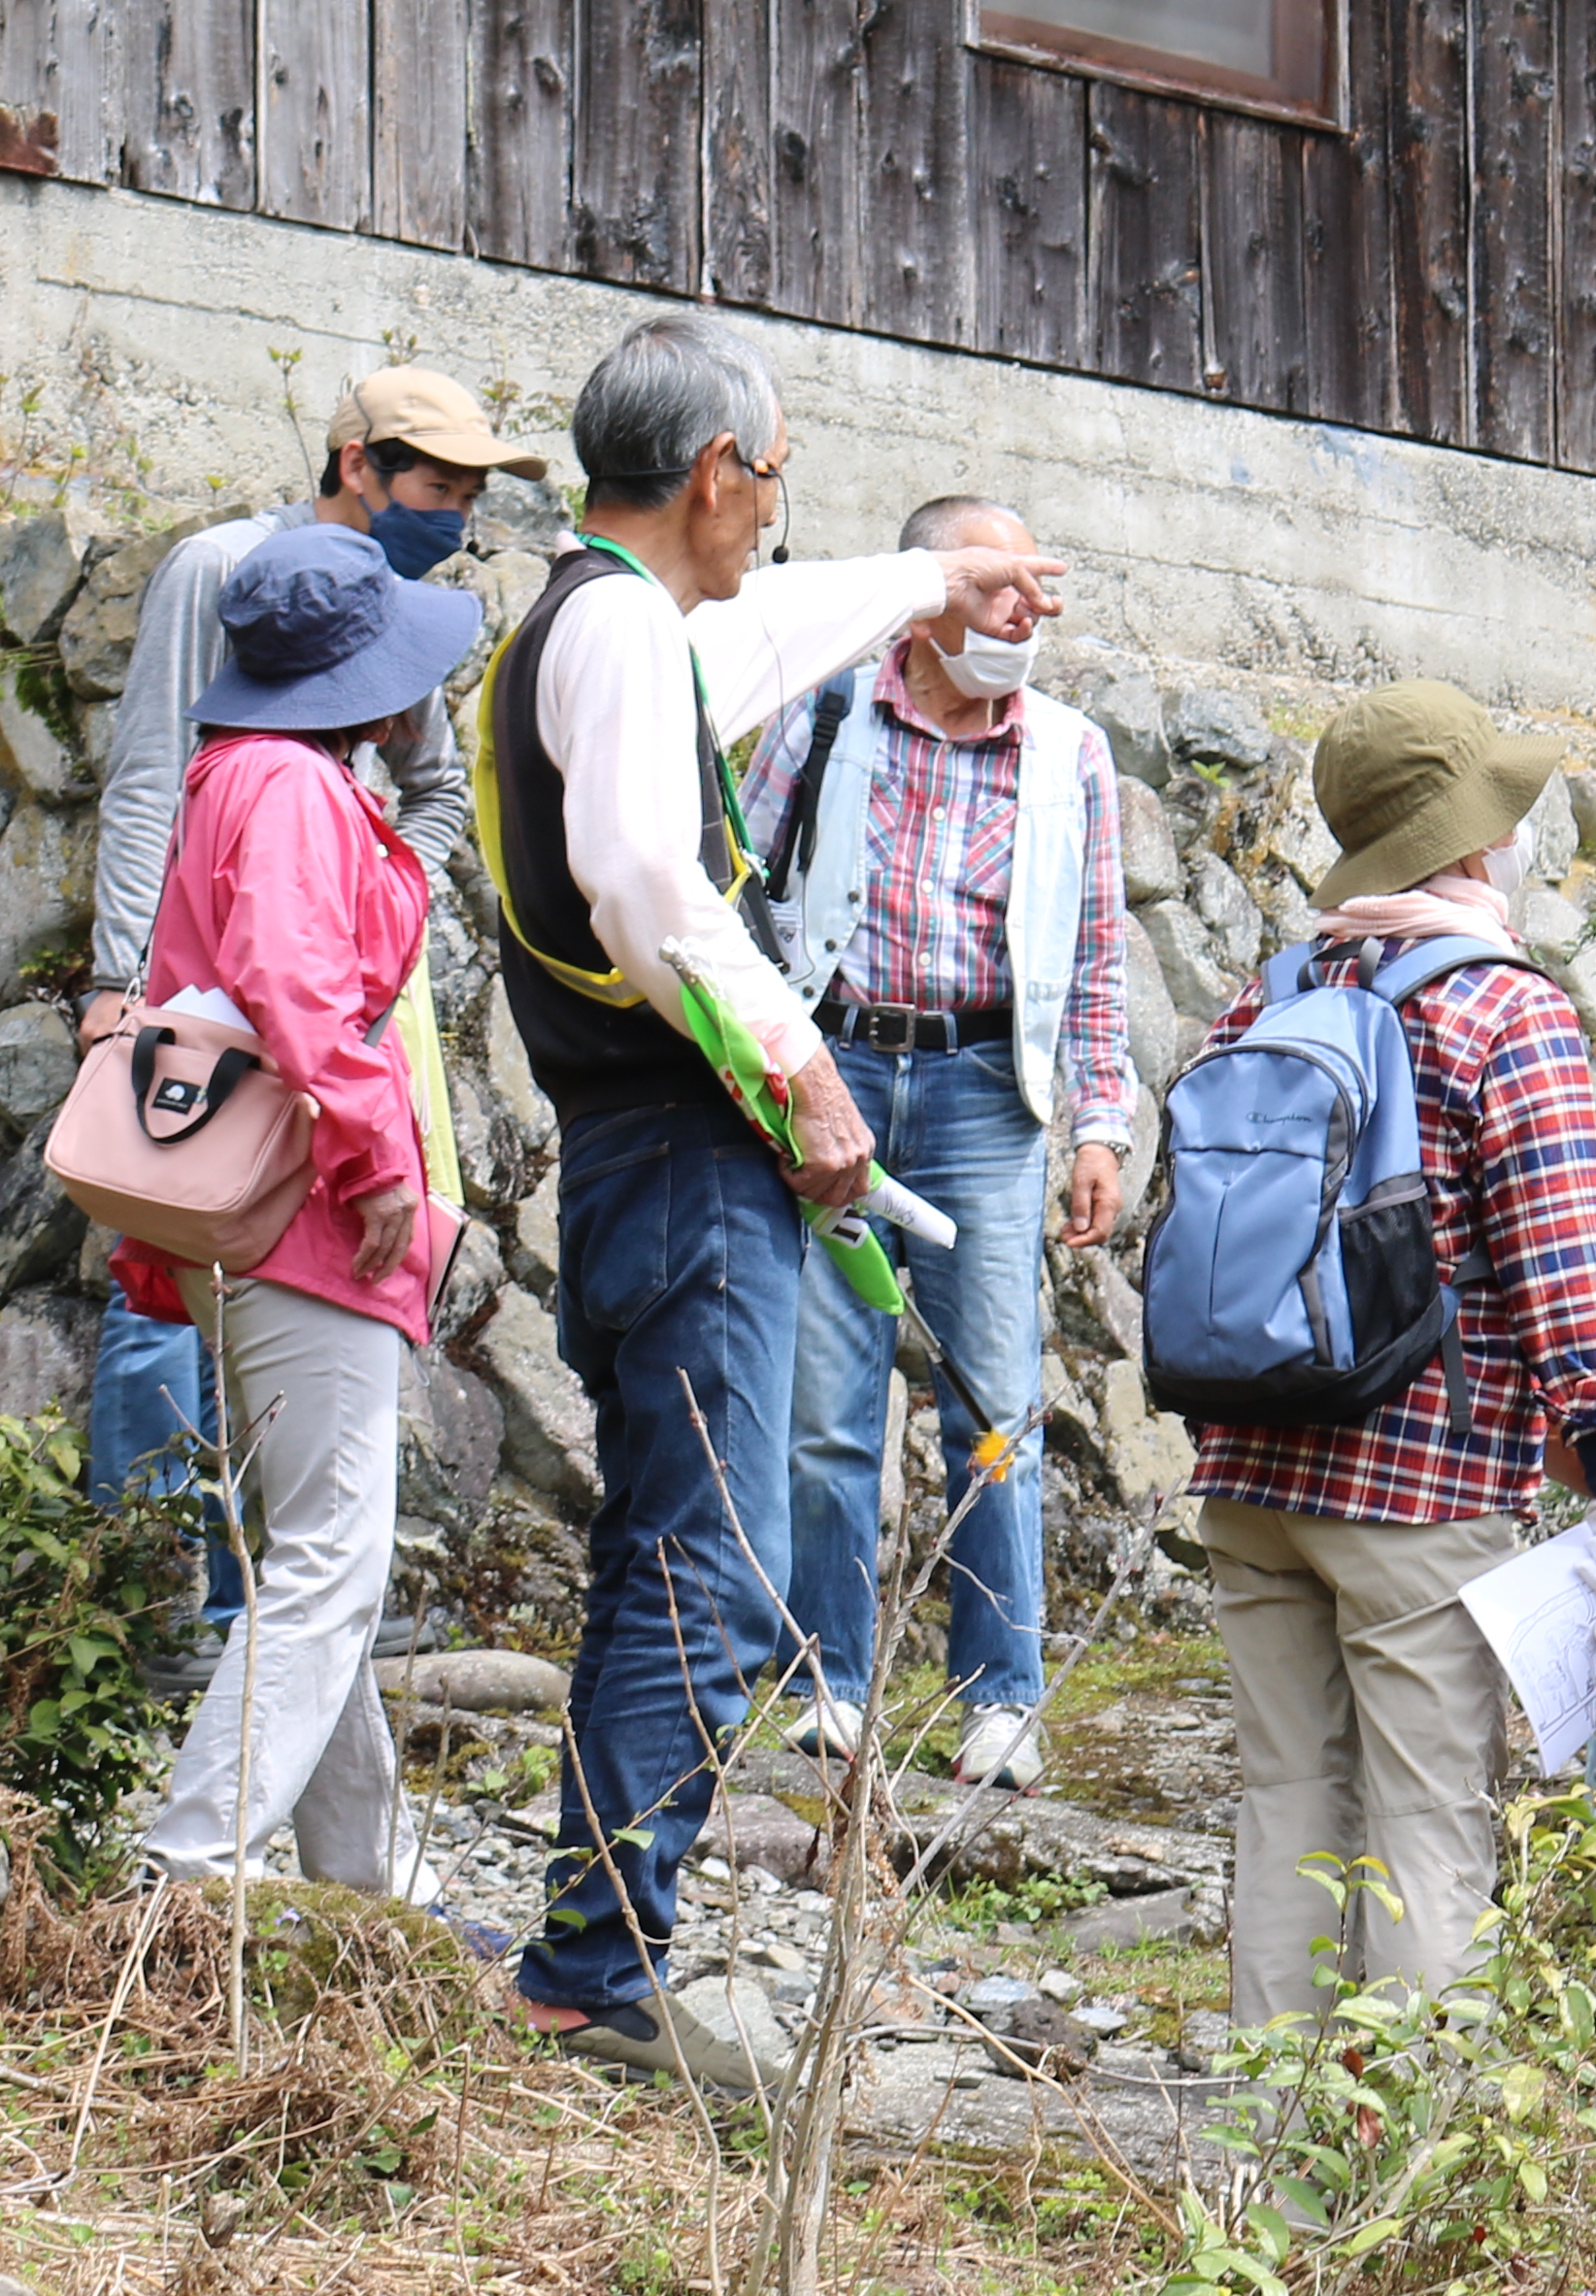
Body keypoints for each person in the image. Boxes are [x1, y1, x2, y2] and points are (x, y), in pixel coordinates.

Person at [471, 315, 1067, 2073]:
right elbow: (657, 880)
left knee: (672, 1549)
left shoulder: (601, 627)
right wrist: (805, 1073)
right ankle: (596, 1967)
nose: (772, 521)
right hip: (681, 1155)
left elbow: (760, 645)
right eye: (774, 482)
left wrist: (930, 574)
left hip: (641, 1165)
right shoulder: (616, 634)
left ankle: (593, 1941)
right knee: (705, 1570)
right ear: (719, 473)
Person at [1185, 684, 1596, 2035]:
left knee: (1287, 1806)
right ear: (1469, 845)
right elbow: (1562, 1269)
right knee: (1428, 1820)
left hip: (1249, 1464)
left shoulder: (1262, 992)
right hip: (1421, 1490)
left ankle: (1266, 2179)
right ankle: (1397, 2195)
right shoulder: (1507, 1011)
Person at [83, 369, 532, 1668]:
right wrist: (123, 981)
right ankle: (155, 1586)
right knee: (171, 1247)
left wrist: (374, 892)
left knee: (308, 1254)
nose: (451, 514)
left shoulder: (405, 616)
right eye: (435, 485)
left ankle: (271, 1593)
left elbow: (434, 791)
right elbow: (154, 772)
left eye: (467, 494)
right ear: (355, 460)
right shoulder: (224, 568)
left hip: (332, 989)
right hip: (200, 981)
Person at [738, 493, 1138, 1794]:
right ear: (925, 593)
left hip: (984, 1091)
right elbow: (735, 884)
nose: (1024, 612)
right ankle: (831, 1680)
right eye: (997, 584)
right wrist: (770, 1074)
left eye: (1036, 589)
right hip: (836, 1066)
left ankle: (1001, 1695)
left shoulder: (1069, 751)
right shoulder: (831, 711)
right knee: (827, 1404)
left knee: (993, 1409)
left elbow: (1093, 959)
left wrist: (1102, 1124)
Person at [115, 524, 481, 1908]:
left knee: (319, 1557)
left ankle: (366, 1884)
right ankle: (187, 1867)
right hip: (307, 1210)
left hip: (250, 1200)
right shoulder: (288, 787)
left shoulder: (241, 772)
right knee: (334, 1555)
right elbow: (296, 979)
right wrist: (380, 1157)